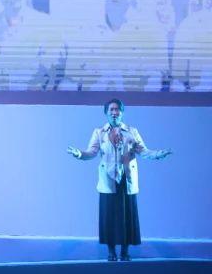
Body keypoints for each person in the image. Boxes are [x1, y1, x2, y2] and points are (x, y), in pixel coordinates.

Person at [67, 98, 172, 261]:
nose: (114, 112)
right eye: (111, 110)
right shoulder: (99, 132)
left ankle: (124, 251)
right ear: (106, 113)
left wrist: (159, 154)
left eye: (117, 109)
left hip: (126, 180)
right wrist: (79, 154)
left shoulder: (131, 132)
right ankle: (111, 252)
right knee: (109, 216)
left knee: (127, 217)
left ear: (122, 112)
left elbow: (144, 151)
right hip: (108, 180)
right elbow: (91, 153)